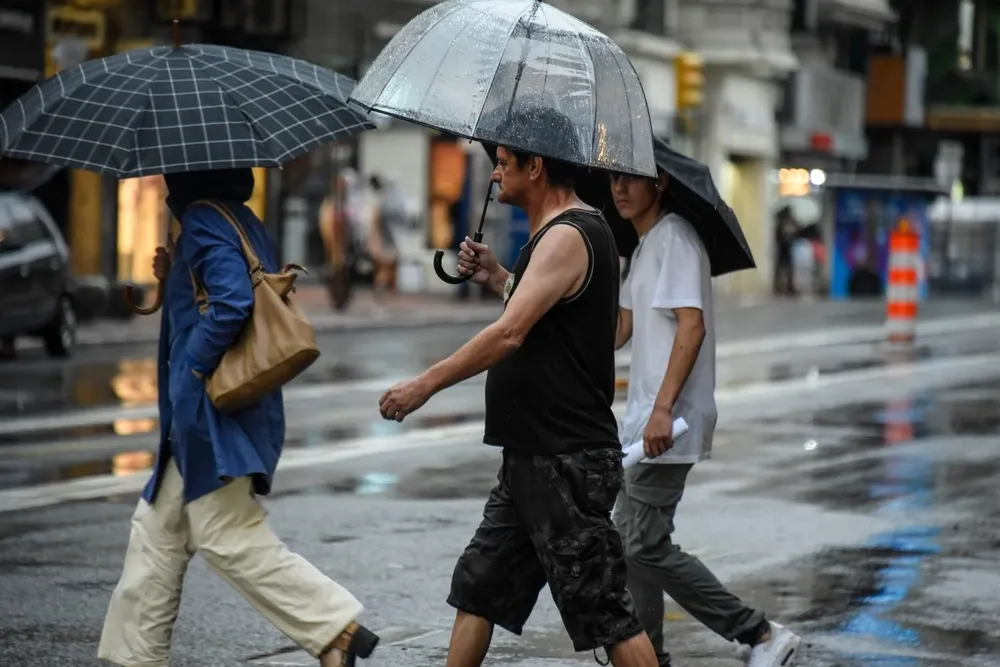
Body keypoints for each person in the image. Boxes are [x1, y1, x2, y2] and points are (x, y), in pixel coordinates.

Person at [377, 109, 659, 667]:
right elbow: (551, 316)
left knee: (604, 611)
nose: (495, 174)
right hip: (533, 455)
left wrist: (424, 385)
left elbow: (510, 333)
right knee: (479, 588)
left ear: (536, 165)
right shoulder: (560, 235)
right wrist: (499, 277)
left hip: (565, 459)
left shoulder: (569, 234)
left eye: (504, 162)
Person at [98, 169, 378, 667]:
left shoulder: (205, 220)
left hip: (211, 411)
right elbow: (218, 293)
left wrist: (193, 369)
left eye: (172, 174)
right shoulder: (242, 220)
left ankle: (334, 625)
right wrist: (177, 272)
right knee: (156, 533)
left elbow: (232, 302)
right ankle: (134, 657)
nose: (165, 183)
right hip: (217, 409)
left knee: (226, 534)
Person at [608, 168, 801, 667]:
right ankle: (647, 654)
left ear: (662, 184)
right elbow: (620, 330)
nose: (620, 190)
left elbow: (690, 328)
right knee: (634, 543)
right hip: (644, 422)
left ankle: (758, 633)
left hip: (669, 422)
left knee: (640, 542)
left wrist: (662, 409)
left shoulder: (675, 238)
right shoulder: (644, 245)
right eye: (614, 181)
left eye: (632, 180)